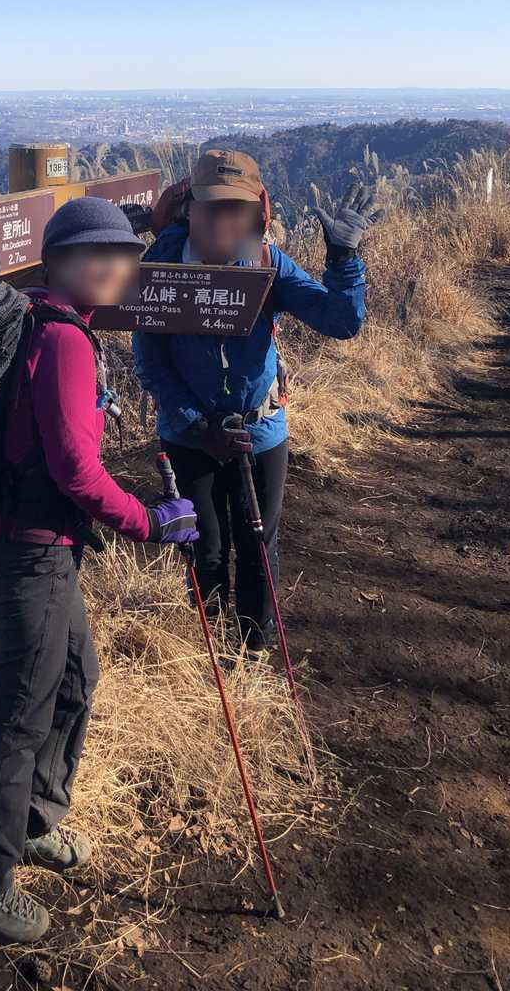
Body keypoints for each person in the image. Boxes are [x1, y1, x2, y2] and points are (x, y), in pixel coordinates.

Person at [0, 196, 198, 946]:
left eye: (123, 254)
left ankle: (33, 821)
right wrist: (151, 522)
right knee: (18, 715)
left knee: (76, 677)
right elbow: (77, 472)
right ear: (55, 263)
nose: (113, 266)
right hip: (32, 551)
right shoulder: (64, 339)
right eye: (94, 254)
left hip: (32, 545)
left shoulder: (47, 324)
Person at [133, 150, 379, 650]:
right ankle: (206, 651)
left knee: (258, 544)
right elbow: (151, 364)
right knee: (205, 547)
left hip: (259, 430)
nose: (223, 219)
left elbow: (341, 322)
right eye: (212, 206)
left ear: (256, 212)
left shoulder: (266, 262)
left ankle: (254, 650)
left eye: (237, 208)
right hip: (190, 437)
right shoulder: (161, 267)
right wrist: (198, 425)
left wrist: (343, 260)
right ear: (190, 208)